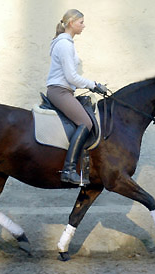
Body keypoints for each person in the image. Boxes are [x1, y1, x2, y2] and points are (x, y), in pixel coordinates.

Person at [46, 9, 107, 185]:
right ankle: (69, 169)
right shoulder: (64, 44)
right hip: (59, 91)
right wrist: (93, 85)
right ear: (71, 23)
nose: (83, 25)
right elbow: (72, 77)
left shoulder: (67, 43)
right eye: (81, 22)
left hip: (64, 90)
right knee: (86, 123)